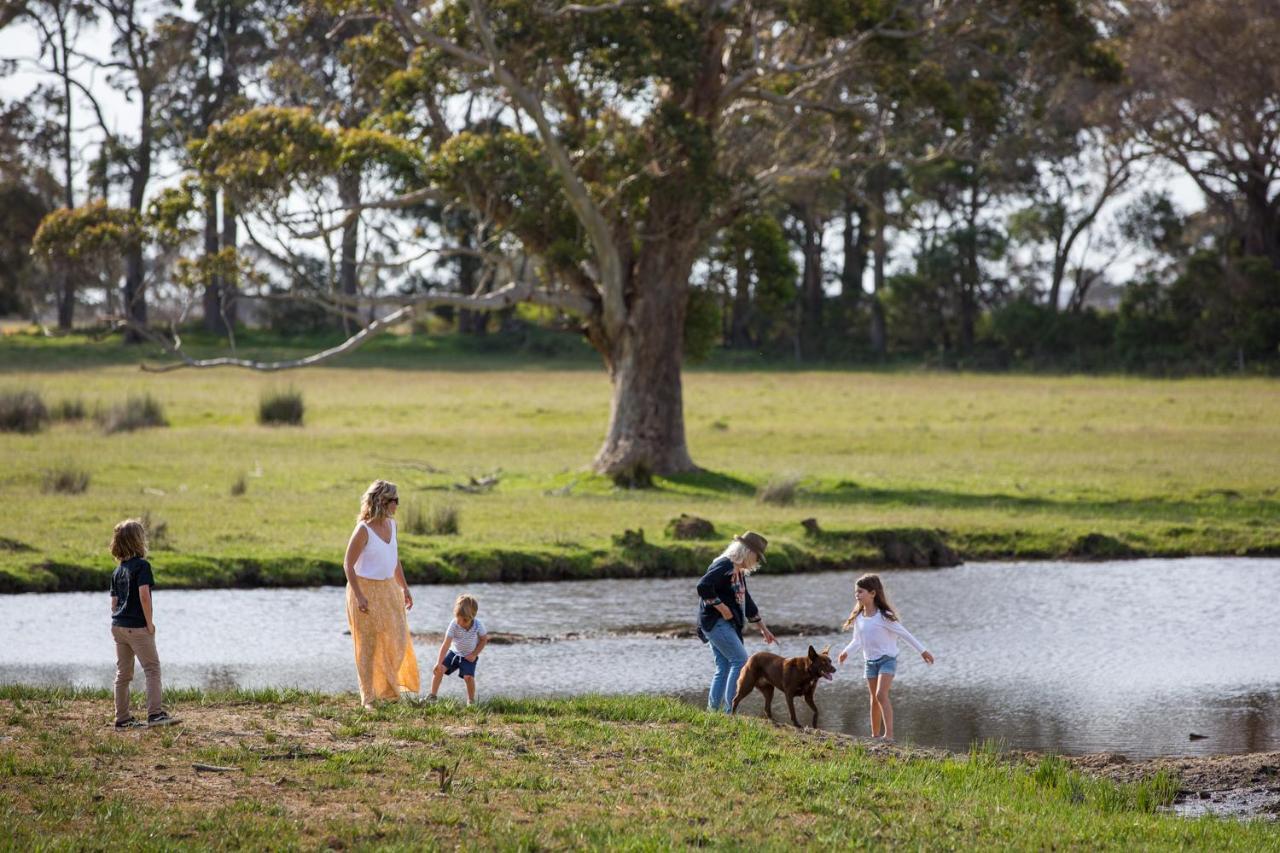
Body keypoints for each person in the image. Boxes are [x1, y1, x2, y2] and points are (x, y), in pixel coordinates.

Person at [343, 479, 419, 708]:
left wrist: (404, 587)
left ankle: (387, 689)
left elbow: (394, 560)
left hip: (388, 589)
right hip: (364, 588)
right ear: (383, 501)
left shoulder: (392, 525)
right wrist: (359, 595)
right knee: (368, 644)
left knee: (397, 637)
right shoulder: (363, 529)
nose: (398, 504)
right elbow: (348, 564)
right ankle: (369, 698)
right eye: (395, 500)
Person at [837, 573, 934, 742]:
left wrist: (922, 651)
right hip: (870, 662)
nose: (857, 595)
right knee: (873, 698)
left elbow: (905, 634)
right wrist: (846, 652)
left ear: (873, 593)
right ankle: (875, 736)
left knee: (881, 694)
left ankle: (888, 735)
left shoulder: (884, 616)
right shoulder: (859, 618)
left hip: (887, 660)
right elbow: (857, 641)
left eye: (861, 592)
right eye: (856, 592)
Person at [696, 531, 777, 713]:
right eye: (757, 557)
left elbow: (746, 600)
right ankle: (728, 712)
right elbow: (703, 586)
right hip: (716, 623)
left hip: (719, 624)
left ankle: (713, 712)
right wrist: (721, 607)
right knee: (740, 660)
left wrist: (763, 628)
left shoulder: (737, 571)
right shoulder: (725, 565)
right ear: (747, 552)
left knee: (724, 666)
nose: (756, 562)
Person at [109, 519, 177, 728]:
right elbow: (144, 596)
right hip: (137, 626)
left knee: (123, 674)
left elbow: (113, 603)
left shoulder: (118, 570)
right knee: (152, 669)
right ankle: (155, 714)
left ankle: (122, 718)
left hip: (118, 626)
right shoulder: (142, 566)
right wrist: (149, 624)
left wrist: (122, 617)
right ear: (139, 541)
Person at [428, 594, 488, 705]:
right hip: (454, 653)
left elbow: (484, 640)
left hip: (469, 656)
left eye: (464, 620)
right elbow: (446, 644)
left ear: (472, 617)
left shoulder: (478, 625)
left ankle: (471, 701)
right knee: (439, 669)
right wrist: (438, 662)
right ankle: (432, 696)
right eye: (458, 618)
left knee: (468, 677)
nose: (460, 623)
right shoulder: (454, 624)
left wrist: (474, 654)